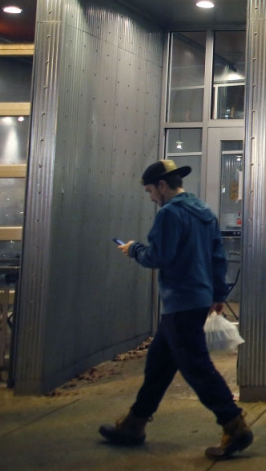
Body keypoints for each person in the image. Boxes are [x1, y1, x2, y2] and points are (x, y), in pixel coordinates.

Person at [99, 159, 253, 460]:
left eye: (150, 191)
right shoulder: (204, 212)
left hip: (180, 302)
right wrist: (218, 293)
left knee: (197, 368)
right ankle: (134, 424)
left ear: (162, 186)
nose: (151, 198)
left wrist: (133, 250)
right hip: (195, 301)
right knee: (158, 365)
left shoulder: (170, 215)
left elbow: (159, 256)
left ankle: (234, 426)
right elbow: (217, 257)